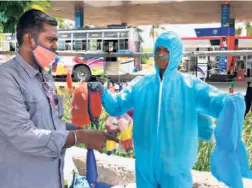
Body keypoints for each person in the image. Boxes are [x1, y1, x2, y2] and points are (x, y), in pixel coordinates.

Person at [88, 32, 248, 188]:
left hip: (176, 168)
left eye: (166, 50)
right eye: (158, 50)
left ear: (176, 54)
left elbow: (214, 101)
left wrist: (232, 102)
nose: (161, 54)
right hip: (145, 166)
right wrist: (103, 91)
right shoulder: (141, 85)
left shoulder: (190, 86)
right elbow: (117, 106)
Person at [0, 9, 118, 188]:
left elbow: (53, 123)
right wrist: (79, 137)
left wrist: (82, 131)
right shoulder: (6, 78)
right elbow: (22, 135)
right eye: (51, 39)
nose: (56, 46)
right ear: (28, 39)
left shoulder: (45, 78)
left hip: (51, 179)